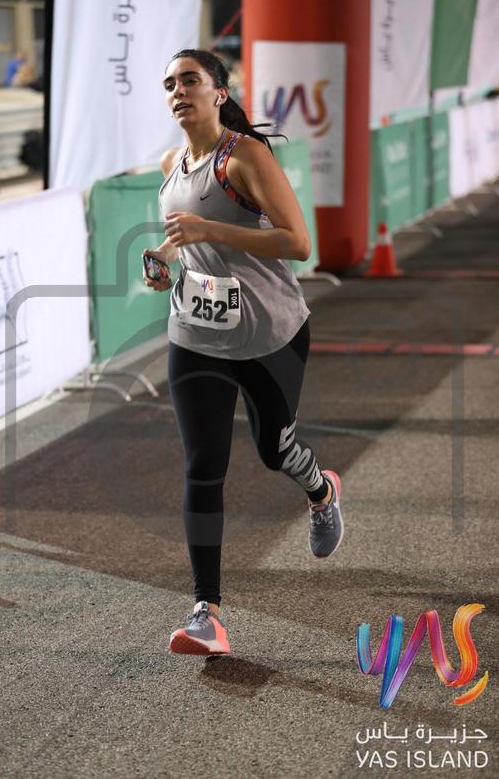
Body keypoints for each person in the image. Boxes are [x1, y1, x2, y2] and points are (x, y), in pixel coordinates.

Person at [143, 49, 344, 656]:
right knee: (203, 465)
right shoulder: (171, 163)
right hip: (196, 333)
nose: (178, 91)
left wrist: (210, 230)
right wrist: (165, 262)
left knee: (272, 448)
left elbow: (298, 242)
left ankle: (321, 491)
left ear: (219, 92)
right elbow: (186, 238)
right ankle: (206, 613)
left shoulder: (246, 157)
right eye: (170, 83)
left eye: (190, 80)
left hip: (269, 332)